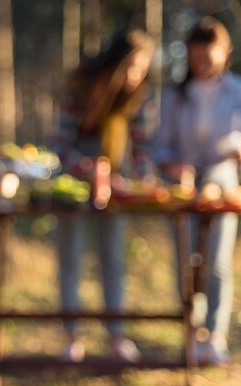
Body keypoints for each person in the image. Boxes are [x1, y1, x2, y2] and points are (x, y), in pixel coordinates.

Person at [151, 17, 241, 365]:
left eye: (209, 58)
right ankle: (191, 331)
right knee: (185, 263)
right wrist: (173, 166)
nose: (203, 65)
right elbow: (160, 148)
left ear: (225, 54)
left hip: (223, 182)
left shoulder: (239, 91)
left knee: (216, 261)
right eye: (197, 59)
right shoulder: (174, 96)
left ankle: (215, 334)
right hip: (181, 186)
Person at [48, 29, 155, 362]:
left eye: (143, 69)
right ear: (116, 63)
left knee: (113, 259)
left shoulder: (137, 97)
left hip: (115, 187)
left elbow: (139, 146)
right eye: (132, 67)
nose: (136, 76)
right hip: (72, 187)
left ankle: (116, 335)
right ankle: (72, 337)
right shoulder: (80, 90)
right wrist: (82, 166)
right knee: (70, 259)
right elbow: (58, 144)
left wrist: (146, 177)